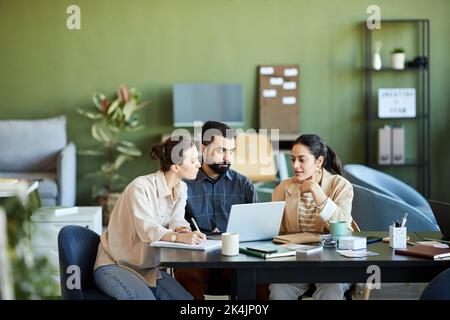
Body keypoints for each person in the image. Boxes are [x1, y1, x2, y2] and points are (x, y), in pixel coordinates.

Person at [93, 136, 205, 300]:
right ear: (175, 167)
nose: (199, 165)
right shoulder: (140, 187)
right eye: (193, 161)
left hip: (148, 270)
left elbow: (177, 220)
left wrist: (185, 231)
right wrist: (178, 237)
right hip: (115, 265)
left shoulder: (181, 188)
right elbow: (147, 230)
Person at [174, 121, 268, 299]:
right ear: (203, 149)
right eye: (221, 150)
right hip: (197, 257)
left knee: (259, 277)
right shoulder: (183, 184)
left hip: (236, 257)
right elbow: (174, 226)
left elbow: (258, 230)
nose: (227, 158)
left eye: (231, 151)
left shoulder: (243, 184)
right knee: (186, 274)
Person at [269, 133, 354, 300]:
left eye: (302, 159)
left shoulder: (341, 185)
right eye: (293, 159)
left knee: (331, 290)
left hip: (333, 260)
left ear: (319, 162)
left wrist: (316, 191)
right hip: (295, 260)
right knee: (279, 289)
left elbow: (343, 226)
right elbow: (272, 229)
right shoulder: (284, 187)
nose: (295, 165)